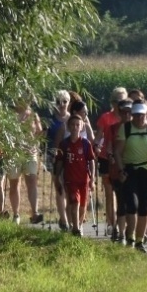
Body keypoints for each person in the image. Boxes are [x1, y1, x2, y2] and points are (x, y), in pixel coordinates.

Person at [117, 101, 147, 249]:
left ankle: (139, 240)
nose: (139, 118)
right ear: (132, 115)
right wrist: (121, 169)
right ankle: (130, 236)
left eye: (141, 115)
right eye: (136, 115)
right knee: (132, 204)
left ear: (146, 115)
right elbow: (118, 152)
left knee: (144, 206)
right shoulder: (126, 128)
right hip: (130, 170)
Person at [93, 87, 129, 239]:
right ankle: (111, 223)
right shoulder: (105, 118)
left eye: (123, 101)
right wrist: (96, 146)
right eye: (117, 101)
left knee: (124, 193)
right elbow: (99, 136)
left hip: (123, 158)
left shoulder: (129, 119)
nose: (120, 105)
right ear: (113, 102)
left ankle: (122, 224)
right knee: (109, 192)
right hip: (106, 158)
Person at [58, 99, 97, 233]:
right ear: (69, 127)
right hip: (70, 178)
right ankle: (74, 228)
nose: (75, 127)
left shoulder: (86, 144)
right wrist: (57, 177)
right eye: (72, 125)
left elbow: (91, 160)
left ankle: (79, 224)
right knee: (74, 201)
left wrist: (92, 178)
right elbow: (59, 161)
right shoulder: (64, 144)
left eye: (77, 125)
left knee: (82, 204)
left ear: (81, 127)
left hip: (83, 178)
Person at [7, 97, 44, 224]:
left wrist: (35, 145)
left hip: (30, 153)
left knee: (32, 181)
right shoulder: (10, 115)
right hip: (13, 154)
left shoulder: (33, 115)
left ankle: (35, 212)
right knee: (14, 183)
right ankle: (16, 214)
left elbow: (39, 133)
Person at [45, 89, 72, 228]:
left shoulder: (72, 119)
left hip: (70, 156)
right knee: (59, 186)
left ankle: (67, 217)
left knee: (68, 187)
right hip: (53, 156)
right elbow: (44, 137)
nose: (62, 105)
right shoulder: (50, 119)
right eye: (58, 102)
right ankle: (64, 219)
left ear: (69, 102)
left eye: (65, 102)